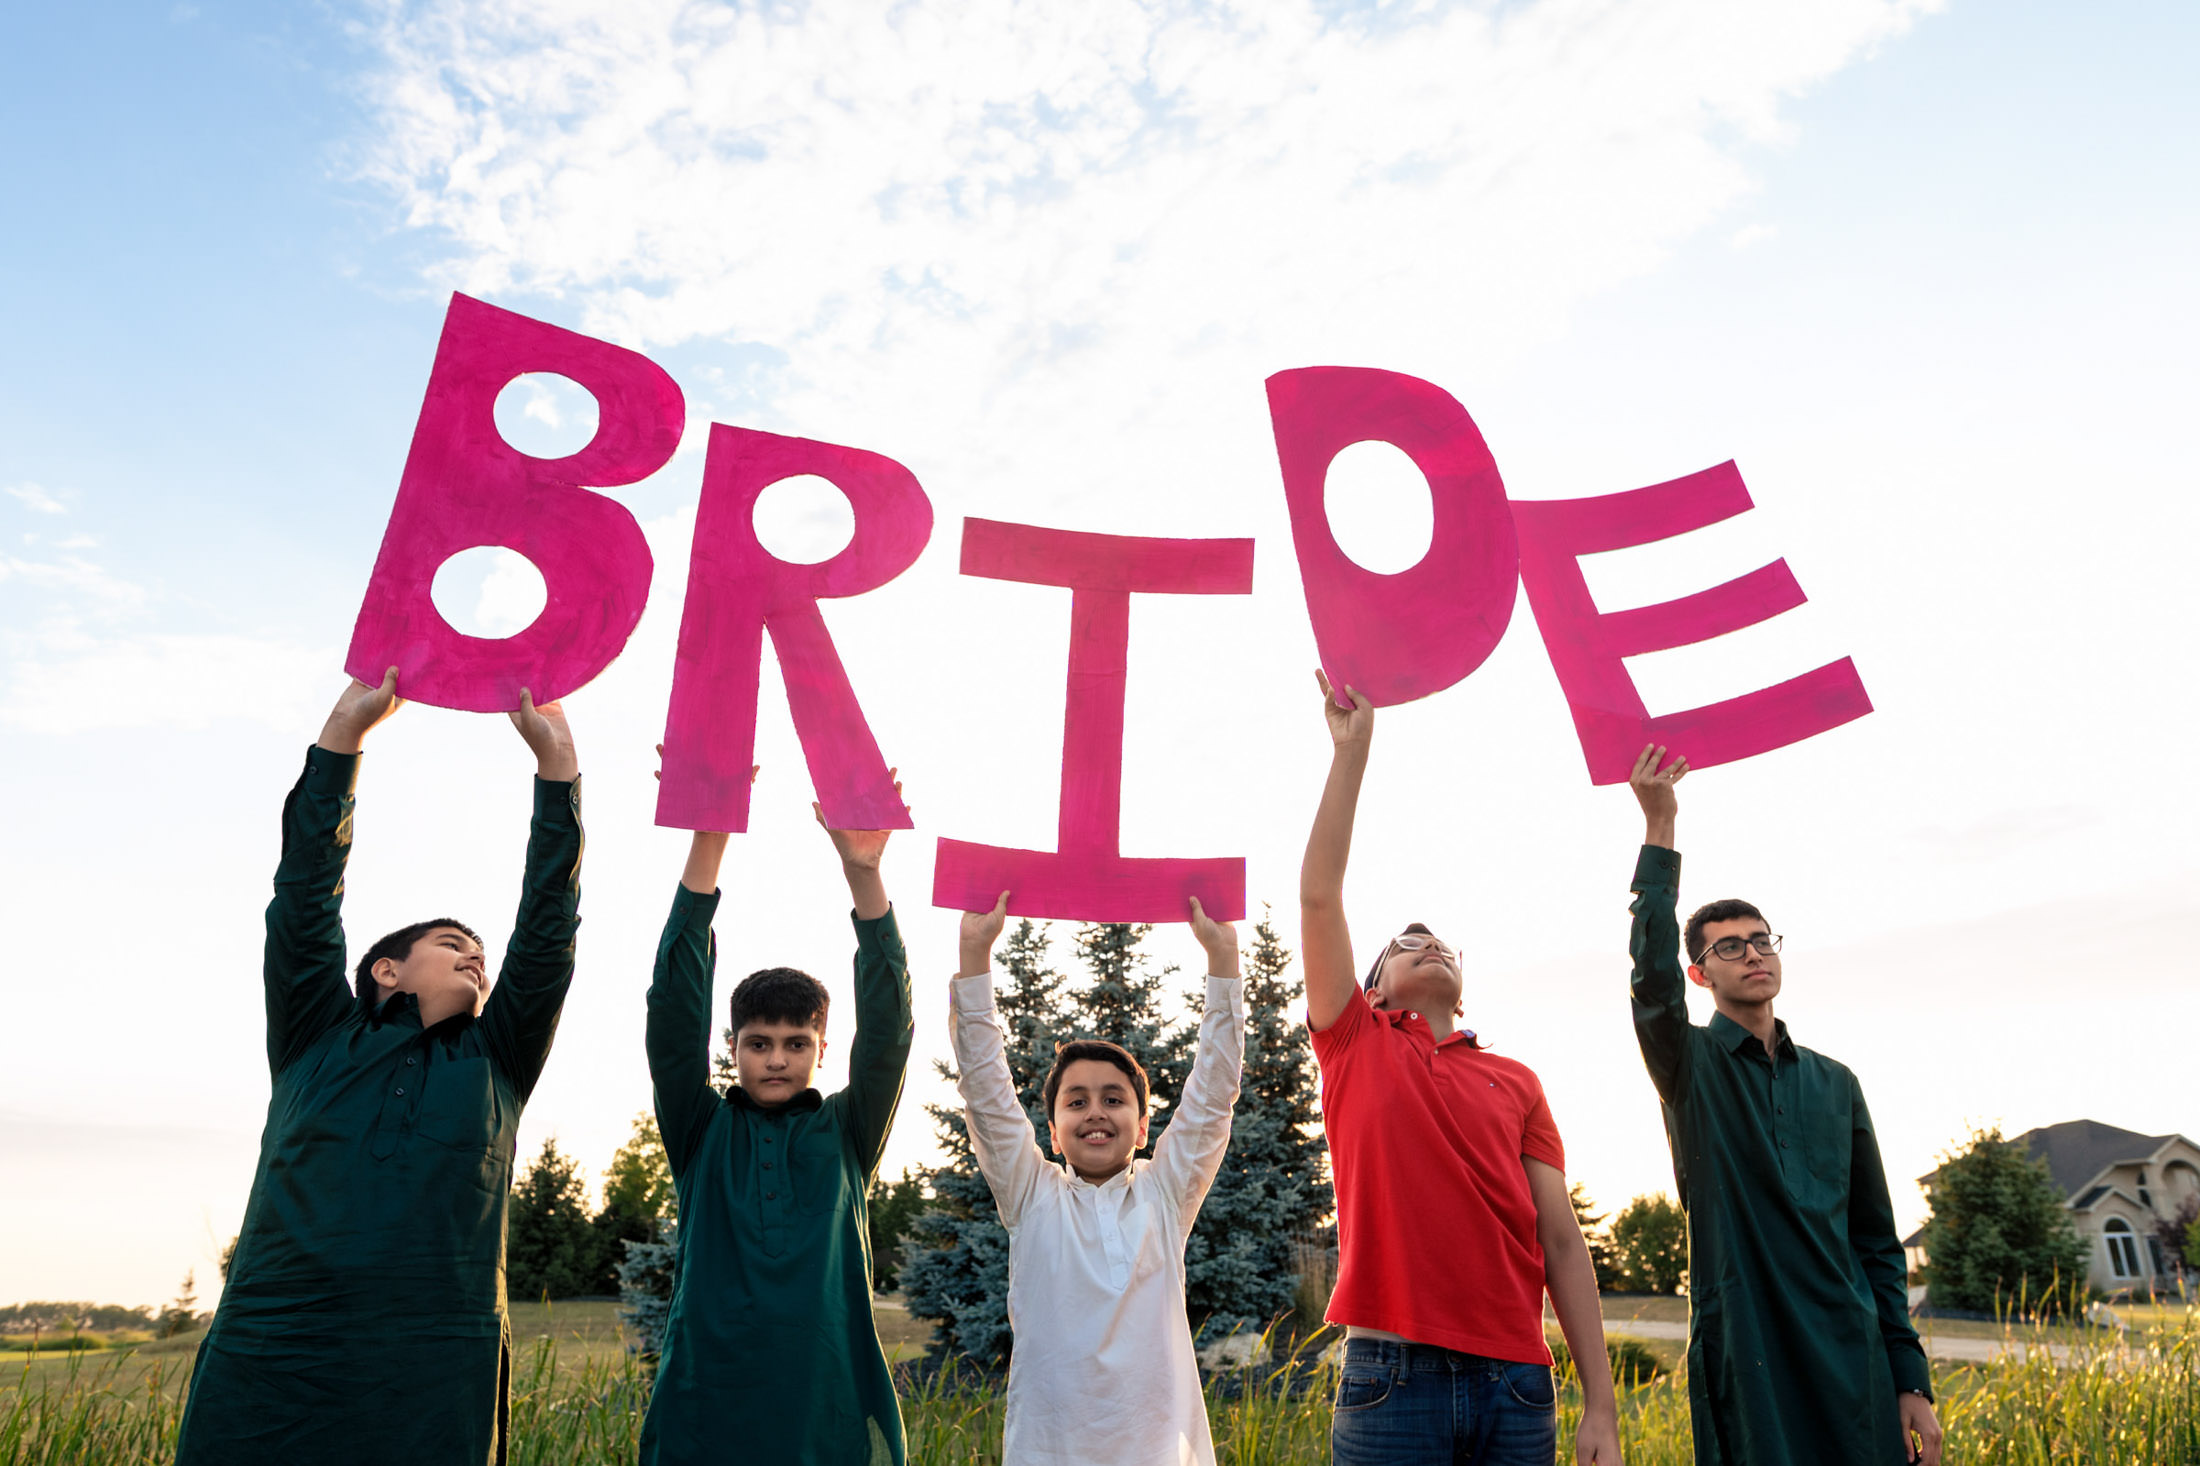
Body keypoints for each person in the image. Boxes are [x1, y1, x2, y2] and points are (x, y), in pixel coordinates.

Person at [175, 668, 585, 1465]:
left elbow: (547, 930)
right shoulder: (313, 1033)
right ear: (387, 971)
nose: (476, 958)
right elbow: (303, 896)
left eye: (481, 955)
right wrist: (343, 738)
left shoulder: (497, 1059)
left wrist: (557, 768)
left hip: (435, 1367)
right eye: (451, 945)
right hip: (275, 1348)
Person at [1301, 672, 1621, 1466]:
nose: (1429, 941)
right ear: (1371, 989)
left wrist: (1603, 1410)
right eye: (1406, 942)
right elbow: (1317, 898)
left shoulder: (1516, 1080)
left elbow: (1561, 1240)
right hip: (1390, 1379)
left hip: (1516, 1384)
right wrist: (1351, 753)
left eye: (1439, 940)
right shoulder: (1355, 1041)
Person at [1625, 743, 1942, 1466]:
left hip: (1852, 1355)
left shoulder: (1837, 1084)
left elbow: (1876, 1243)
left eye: (1762, 940)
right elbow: (1649, 982)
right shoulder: (1689, 1066)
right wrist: (1659, 829)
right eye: (1730, 947)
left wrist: (1909, 1379)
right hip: (1751, 1353)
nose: (1753, 954)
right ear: (1700, 974)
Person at [640, 765, 914, 1466]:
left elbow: (888, 1032)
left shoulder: (848, 1134)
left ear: (822, 1052)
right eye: (758, 1043)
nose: (776, 1058)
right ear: (731, 1049)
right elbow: (672, 1012)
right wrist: (709, 842)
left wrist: (865, 877)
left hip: (823, 1397)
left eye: (797, 1044)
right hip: (709, 1397)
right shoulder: (702, 1129)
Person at [950, 889, 1244, 1466]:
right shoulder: (1032, 1196)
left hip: (1157, 1450)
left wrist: (1223, 963)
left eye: (1114, 1099)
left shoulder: (1164, 1195)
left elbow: (1212, 1098)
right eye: (1076, 1101)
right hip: (1049, 1449)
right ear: (1053, 1134)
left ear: (1141, 1130)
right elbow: (986, 1093)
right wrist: (974, 955)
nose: (1095, 1112)